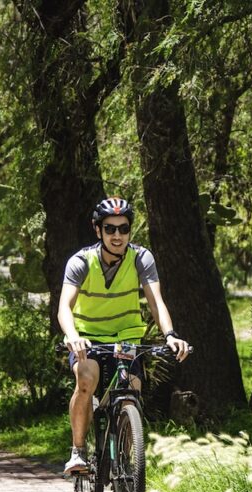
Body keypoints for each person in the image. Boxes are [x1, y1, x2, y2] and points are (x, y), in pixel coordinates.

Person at [57, 197, 189, 474]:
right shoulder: (81, 261)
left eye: (123, 228)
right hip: (88, 337)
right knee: (86, 380)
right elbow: (64, 307)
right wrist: (72, 335)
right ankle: (78, 451)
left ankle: (126, 463)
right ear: (98, 230)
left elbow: (156, 301)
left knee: (132, 392)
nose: (117, 235)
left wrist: (170, 335)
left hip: (127, 337)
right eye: (110, 229)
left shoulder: (142, 258)